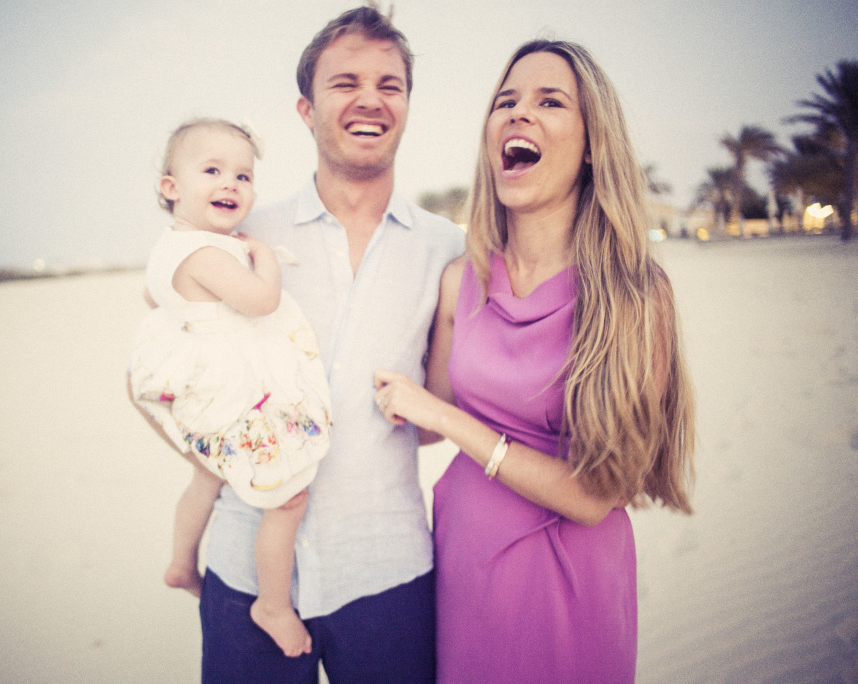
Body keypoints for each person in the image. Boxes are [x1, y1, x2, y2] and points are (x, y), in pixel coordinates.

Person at [374, 39, 695, 682]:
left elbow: (594, 494)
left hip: (568, 584)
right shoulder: (459, 280)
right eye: (506, 101)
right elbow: (424, 422)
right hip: (463, 566)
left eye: (550, 101)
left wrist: (448, 418)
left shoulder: (635, 294)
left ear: (592, 144)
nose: (519, 113)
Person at [196, 5, 465, 683]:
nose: (370, 98)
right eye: (344, 83)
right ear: (306, 109)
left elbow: (438, 416)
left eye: (390, 84)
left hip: (387, 573)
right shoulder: (240, 235)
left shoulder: (449, 251)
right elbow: (168, 373)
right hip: (246, 567)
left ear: (406, 106)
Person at [128, 118, 332, 658]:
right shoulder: (208, 253)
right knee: (287, 498)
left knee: (205, 477)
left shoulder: (169, 248)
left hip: (206, 392)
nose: (231, 184)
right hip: (235, 394)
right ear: (171, 187)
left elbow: (157, 302)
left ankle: (180, 562)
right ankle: (272, 603)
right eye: (212, 170)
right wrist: (264, 257)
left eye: (243, 175)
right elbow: (261, 302)